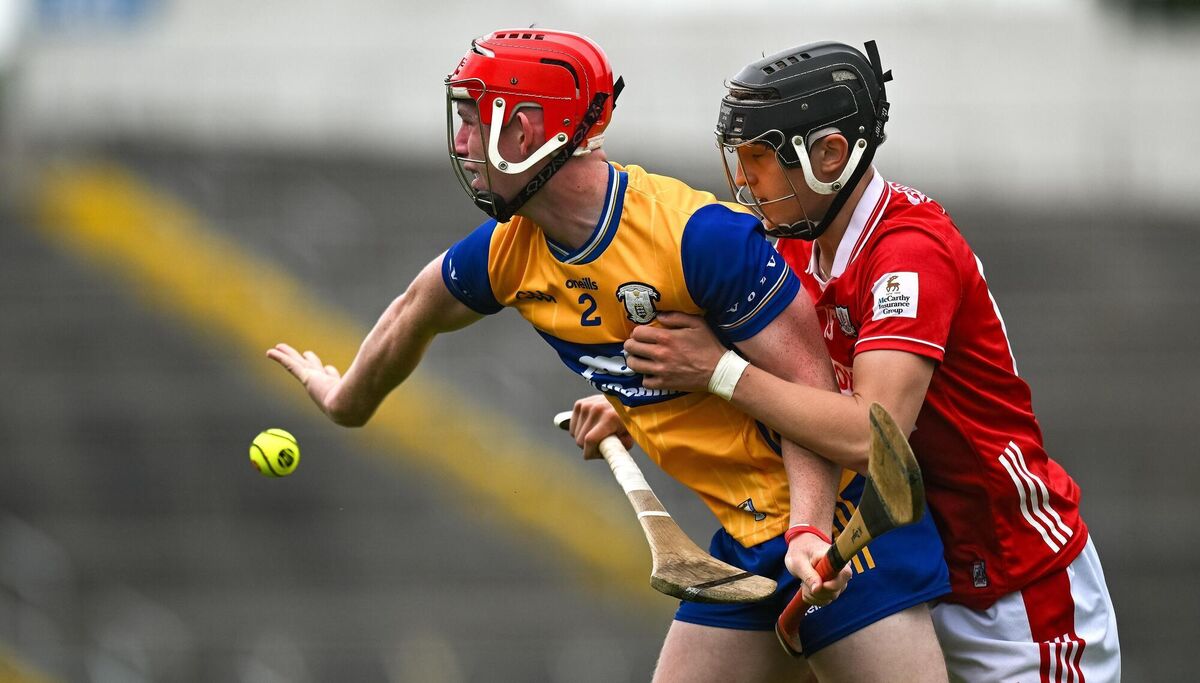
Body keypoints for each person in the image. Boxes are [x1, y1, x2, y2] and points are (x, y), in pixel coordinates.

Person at [267, 29, 950, 683]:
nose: (465, 141)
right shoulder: (509, 252)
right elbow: (410, 315)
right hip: (744, 541)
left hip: (845, 532)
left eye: (477, 118)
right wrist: (345, 399)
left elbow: (812, 386)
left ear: (527, 131)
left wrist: (806, 528)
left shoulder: (697, 239)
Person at [583, 39, 1120, 681]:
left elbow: (873, 436)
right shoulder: (794, 247)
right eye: (739, 158)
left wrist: (718, 373)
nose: (742, 180)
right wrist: (635, 403)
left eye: (759, 158)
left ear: (831, 155)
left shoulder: (908, 253)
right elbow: (742, 372)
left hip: (1010, 583)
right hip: (895, 563)